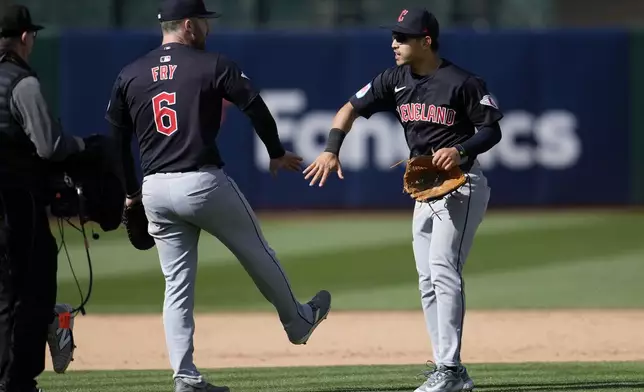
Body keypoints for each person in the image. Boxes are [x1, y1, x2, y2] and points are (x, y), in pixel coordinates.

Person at [104, 1, 331, 391]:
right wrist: (276, 153)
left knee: (176, 286)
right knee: (257, 252)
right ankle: (298, 322)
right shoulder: (213, 64)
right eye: (205, 22)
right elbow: (257, 109)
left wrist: (130, 194)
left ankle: (185, 376)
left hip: (155, 188)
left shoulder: (130, 73)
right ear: (189, 26)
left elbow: (116, 141)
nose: (208, 29)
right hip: (201, 181)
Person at [304, 7, 503, 392]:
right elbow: (349, 108)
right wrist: (331, 149)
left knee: (444, 269)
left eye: (403, 38)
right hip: (427, 188)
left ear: (426, 41)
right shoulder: (393, 79)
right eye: (394, 37)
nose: (394, 44)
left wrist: (461, 150)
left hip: (461, 184)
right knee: (427, 279)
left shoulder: (463, 82)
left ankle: (450, 368)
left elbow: (491, 129)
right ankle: (448, 369)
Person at [0, 4, 85, 392]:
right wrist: (83, 146)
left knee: (7, 293)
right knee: (30, 290)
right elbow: (49, 146)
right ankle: (18, 378)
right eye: (31, 34)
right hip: (18, 203)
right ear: (23, 38)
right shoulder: (23, 83)